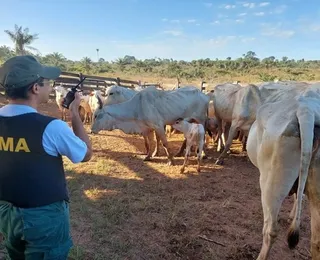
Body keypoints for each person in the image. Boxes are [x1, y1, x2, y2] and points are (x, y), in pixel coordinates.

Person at [0, 55, 93, 259]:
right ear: (35, 88)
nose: (50, 86)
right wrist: (75, 114)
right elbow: (85, 154)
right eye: (47, 82)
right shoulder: (51, 127)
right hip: (44, 217)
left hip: (5, 211)